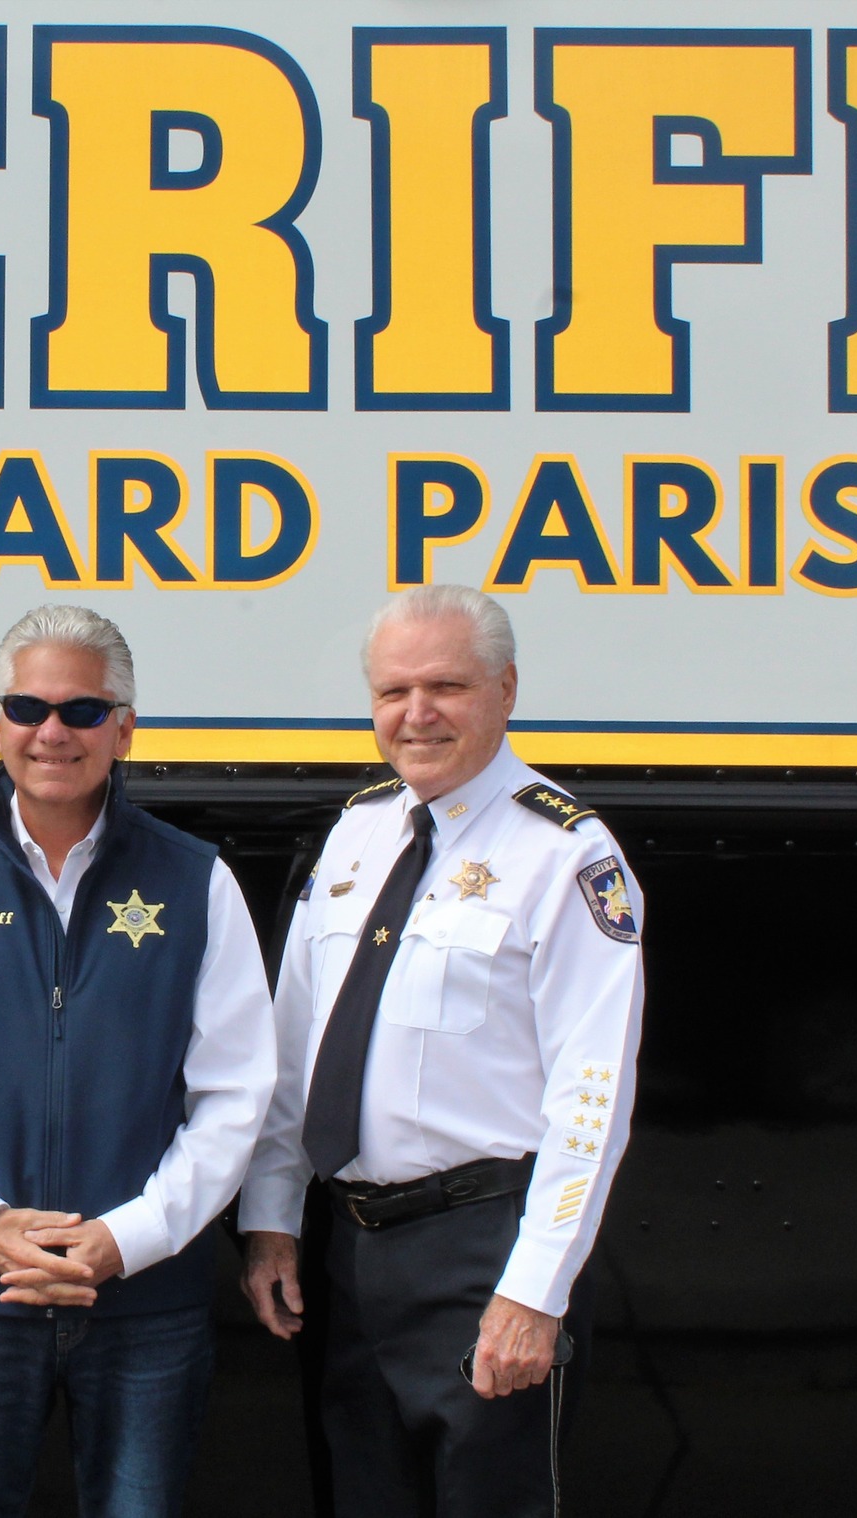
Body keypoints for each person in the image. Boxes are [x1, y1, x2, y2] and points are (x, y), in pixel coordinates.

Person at [0, 604, 276, 1518]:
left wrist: (130, 1239)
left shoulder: (197, 881)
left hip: (146, 1306)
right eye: (28, 707)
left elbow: (236, 1094)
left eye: (83, 710)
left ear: (124, 729)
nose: (53, 731)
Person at [238, 584, 645, 1517]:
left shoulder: (566, 854)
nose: (415, 715)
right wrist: (272, 1218)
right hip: (350, 1253)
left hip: (482, 1251)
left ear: (505, 689)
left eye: (446, 687)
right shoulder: (357, 832)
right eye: (392, 692)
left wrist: (535, 1290)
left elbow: (593, 1094)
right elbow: (295, 1046)